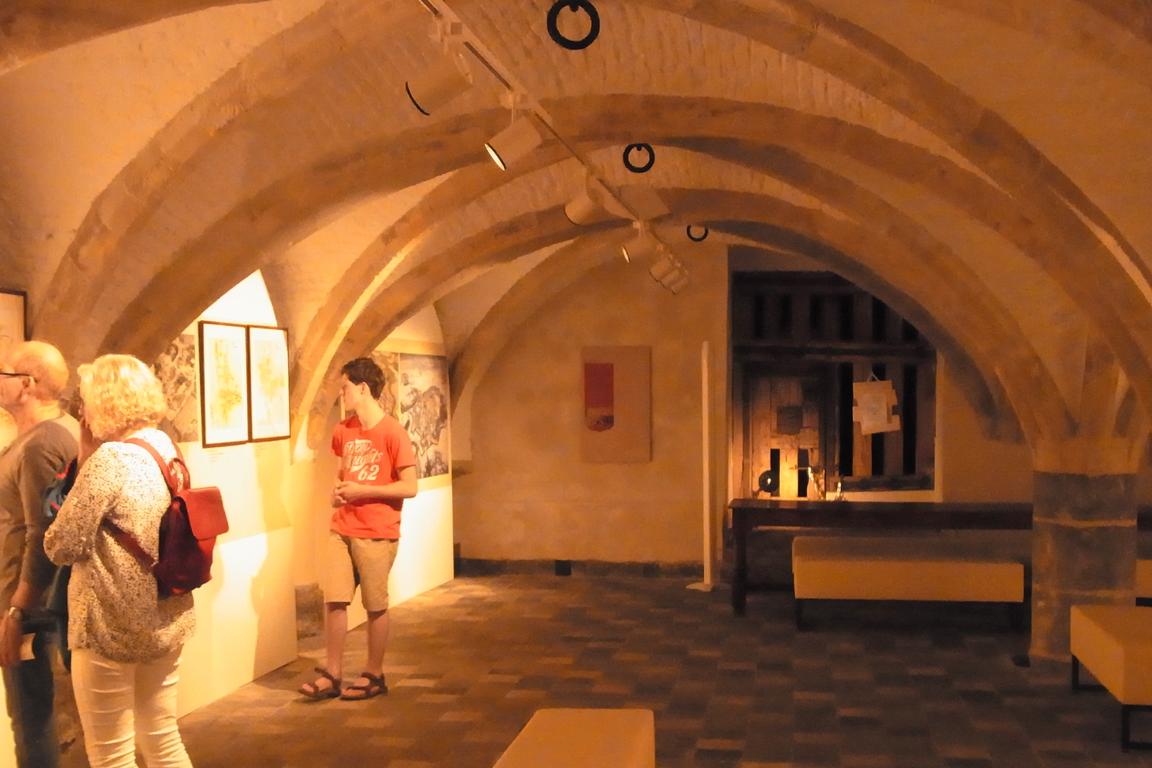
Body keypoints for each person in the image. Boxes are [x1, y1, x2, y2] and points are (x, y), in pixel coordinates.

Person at [44, 354, 194, 767]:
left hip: (110, 623)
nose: (83, 411)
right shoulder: (165, 447)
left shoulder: (111, 460)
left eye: (86, 400)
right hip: (165, 616)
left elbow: (62, 545)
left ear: (105, 401)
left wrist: (85, 456)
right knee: (163, 741)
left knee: (112, 755)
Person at [299, 356, 417, 701]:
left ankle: (374, 673)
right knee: (335, 599)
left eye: (345, 387)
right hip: (343, 527)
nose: (342, 394)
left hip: (377, 530)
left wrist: (364, 491)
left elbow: (410, 486)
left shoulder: (393, 432)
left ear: (363, 388)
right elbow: (342, 474)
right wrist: (337, 494)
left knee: (375, 604)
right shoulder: (343, 431)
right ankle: (332, 672)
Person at [0, 340, 80, 767]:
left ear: (27, 384)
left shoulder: (39, 446)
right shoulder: (47, 435)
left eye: (4, 373)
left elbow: (43, 533)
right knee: (33, 717)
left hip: (29, 603)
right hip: (32, 600)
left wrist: (17, 610)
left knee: (31, 720)